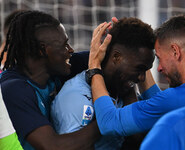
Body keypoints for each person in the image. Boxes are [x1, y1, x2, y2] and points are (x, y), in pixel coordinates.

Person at [0, 10, 100, 150]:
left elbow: (104, 58)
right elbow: (52, 146)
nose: (70, 50)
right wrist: (106, 121)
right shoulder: (13, 89)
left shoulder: (56, 68)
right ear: (43, 50)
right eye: (65, 45)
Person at [51, 17, 155, 150]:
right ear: (116, 57)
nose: (142, 78)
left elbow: (141, 140)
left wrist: (128, 88)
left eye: (146, 70)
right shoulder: (77, 97)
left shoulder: (123, 90)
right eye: (139, 68)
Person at [87, 15, 185, 137]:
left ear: (175, 51)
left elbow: (109, 123)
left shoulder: (176, 99)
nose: (159, 68)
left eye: (159, 58)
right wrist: (132, 44)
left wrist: (94, 66)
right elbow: (161, 104)